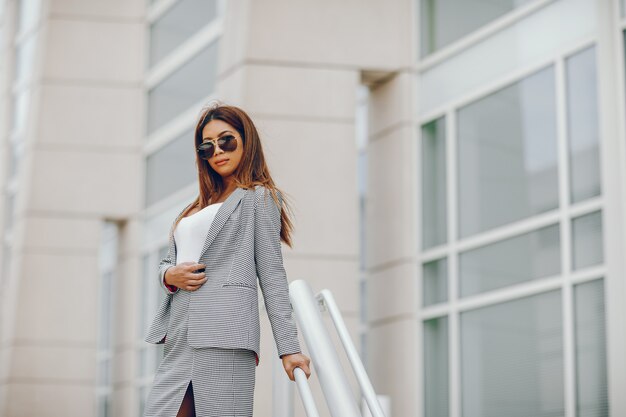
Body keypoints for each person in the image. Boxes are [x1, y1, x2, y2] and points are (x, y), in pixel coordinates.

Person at [143, 102, 312, 417]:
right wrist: (169, 276)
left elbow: (273, 276)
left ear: (246, 141)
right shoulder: (194, 207)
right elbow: (168, 263)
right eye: (207, 146)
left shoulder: (259, 198)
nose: (218, 151)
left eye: (227, 140)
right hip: (180, 338)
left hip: (226, 338)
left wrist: (289, 349)